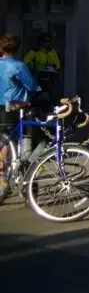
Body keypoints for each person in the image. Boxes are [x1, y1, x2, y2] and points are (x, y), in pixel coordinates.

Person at [0, 34, 38, 201]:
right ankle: (22, 180)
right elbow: (32, 86)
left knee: (2, 142)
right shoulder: (18, 66)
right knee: (17, 142)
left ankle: (2, 181)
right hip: (13, 108)